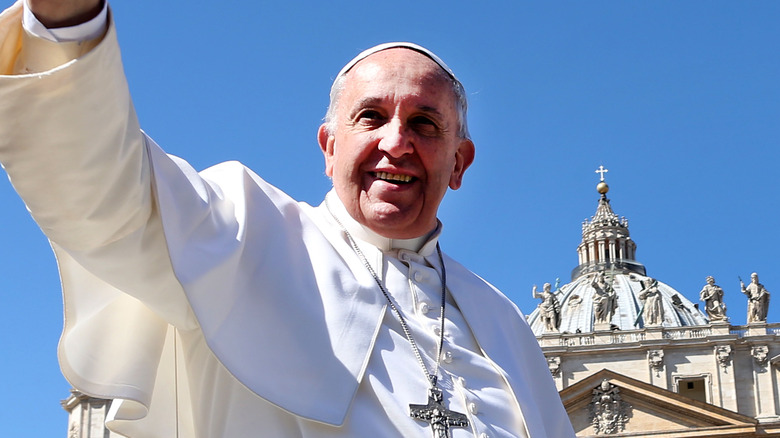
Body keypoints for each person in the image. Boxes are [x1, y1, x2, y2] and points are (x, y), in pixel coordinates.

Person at [0, 1, 574, 437]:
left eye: (425, 124)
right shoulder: (244, 231)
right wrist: (67, 21)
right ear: (329, 148)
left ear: (459, 163)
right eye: (370, 117)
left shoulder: (506, 327)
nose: (396, 143)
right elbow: (107, 189)